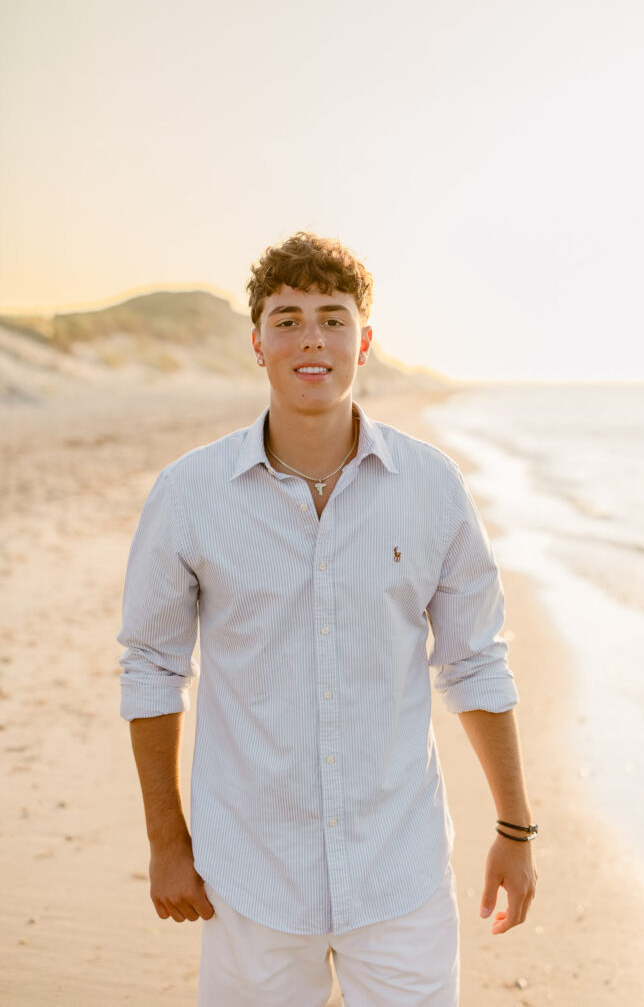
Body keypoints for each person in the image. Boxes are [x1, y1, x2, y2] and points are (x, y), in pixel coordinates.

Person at [117, 231, 537, 1006]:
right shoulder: (189, 494)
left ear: (364, 341)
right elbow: (151, 666)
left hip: (398, 874)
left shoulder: (432, 486)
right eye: (287, 319)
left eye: (332, 318)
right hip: (250, 878)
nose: (311, 337)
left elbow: (474, 659)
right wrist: (167, 843)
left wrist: (514, 830)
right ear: (256, 343)